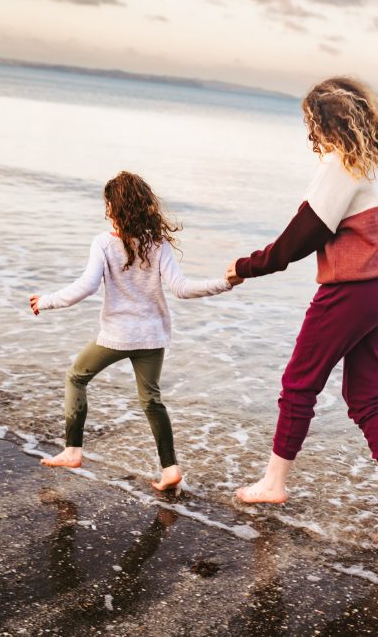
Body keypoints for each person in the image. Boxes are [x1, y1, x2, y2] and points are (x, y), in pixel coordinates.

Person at [227, 76, 378, 542]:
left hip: (356, 290)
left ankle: (274, 482)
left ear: (323, 122)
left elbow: (299, 239)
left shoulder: (343, 166)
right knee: (366, 397)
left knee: (299, 383)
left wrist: (244, 267)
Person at [30, 171, 238, 493]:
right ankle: (170, 469)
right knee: (152, 401)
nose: (107, 211)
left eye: (109, 205)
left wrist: (46, 301)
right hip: (152, 337)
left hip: (116, 336)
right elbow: (181, 289)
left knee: (76, 377)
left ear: (116, 207)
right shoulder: (157, 244)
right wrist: (224, 283)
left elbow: (85, 287)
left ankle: (72, 450)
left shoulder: (103, 243)